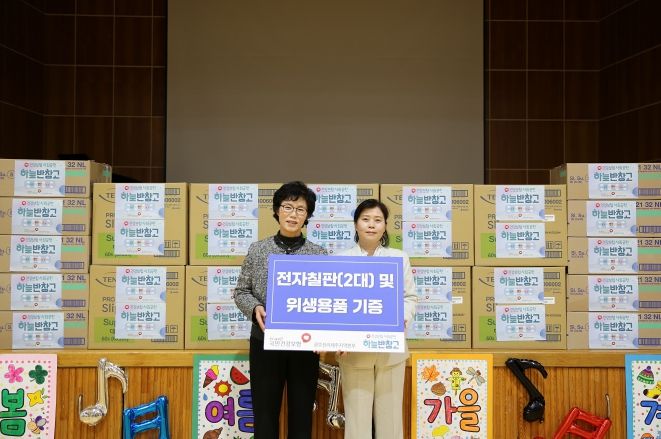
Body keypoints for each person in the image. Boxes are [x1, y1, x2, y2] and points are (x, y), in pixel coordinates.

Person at [234, 181, 327, 439]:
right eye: (287, 207)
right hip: (265, 342)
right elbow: (241, 291)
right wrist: (255, 308)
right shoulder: (258, 250)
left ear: (307, 215)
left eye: (300, 209)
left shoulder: (319, 254)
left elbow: (326, 300)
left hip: (305, 346)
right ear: (277, 211)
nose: (293, 214)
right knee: (264, 415)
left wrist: (323, 334)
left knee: (302, 416)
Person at [337, 198, 417, 439]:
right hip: (353, 352)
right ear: (356, 224)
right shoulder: (341, 259)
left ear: (385, 226)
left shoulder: (398, 257)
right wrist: (337, 338)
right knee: (356, 423)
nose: (371, 225)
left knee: (391, 422)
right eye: (365, 219)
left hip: (390, 351)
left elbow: (409, 297)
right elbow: (335, 305)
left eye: (377, 220)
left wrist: (401, 319)